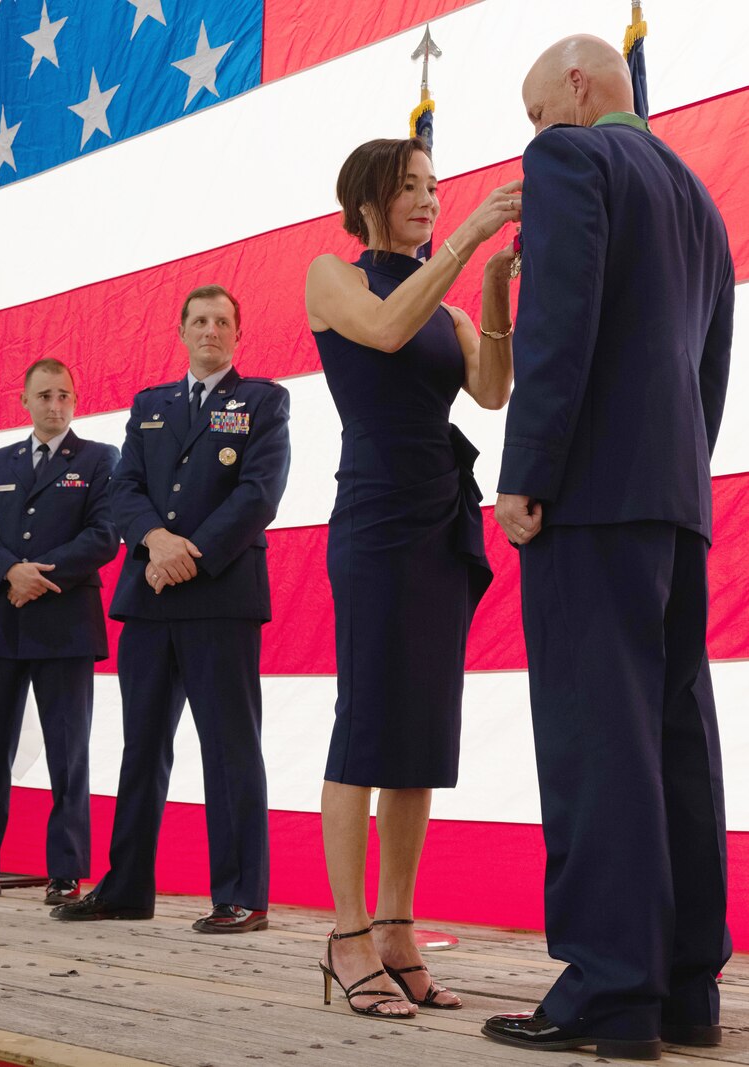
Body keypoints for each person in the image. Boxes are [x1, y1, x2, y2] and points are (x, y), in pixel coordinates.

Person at [484, 36, 733, 1060]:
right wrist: (677, 474)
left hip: (588, 495)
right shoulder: (698, 197)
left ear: (579, 88)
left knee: (597, 743)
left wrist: (528, 469)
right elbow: (710, 363)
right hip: (674, 498)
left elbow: (557, 320)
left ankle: (607, 989)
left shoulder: (569, 158)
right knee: (676, 743)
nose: (534, 134)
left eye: (536, 112)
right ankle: (686, 989)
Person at [305, 137, 521, 1017]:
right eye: (410, 189)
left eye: (435, 188)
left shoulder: (449, 303)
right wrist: (469, 238)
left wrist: (495, 287)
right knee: (366, 720)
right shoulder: (335, 276)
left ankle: (397, 928)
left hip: (439, 518)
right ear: (367, 201)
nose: (429, 201)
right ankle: (346, 932)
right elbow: (386, 331)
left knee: (421, 730)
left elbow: (492, 389)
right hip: (374, 515)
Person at [51, 284, 290, 933]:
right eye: (199, 320)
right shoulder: (150, 406)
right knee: (142, 746)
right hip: (150, 593)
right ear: (181, 331)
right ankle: (126, 887)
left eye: (221, 321)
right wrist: (156, 541)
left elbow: (258, 493)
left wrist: (191, 551)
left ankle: (241, 894)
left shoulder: (263, 400)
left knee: (229, 745)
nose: (210, 329)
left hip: (221, 593)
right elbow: (125, 486)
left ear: (237, 333)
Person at [0, 358, 120, 905]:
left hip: (64, 625)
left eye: (63, 394)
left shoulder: (98, 459)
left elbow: (104, 534)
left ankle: (66, 871)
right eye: (44, 395)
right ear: (24, 400)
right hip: (1, 621)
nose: (54, 404)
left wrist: (34, 576)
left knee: (69, 753)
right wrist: (8, 573)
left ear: (75, 399)